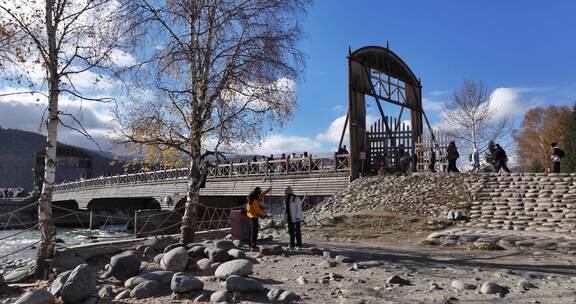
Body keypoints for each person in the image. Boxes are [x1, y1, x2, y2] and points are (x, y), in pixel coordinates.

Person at [245, 186, 271, 251]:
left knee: (252, 230)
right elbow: (258, 210)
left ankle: (250, 244)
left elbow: (262, 195)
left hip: (251, 215)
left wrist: (267, 191)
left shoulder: (255, 197)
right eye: (260, 192)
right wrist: (265, 215)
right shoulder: (254, 201)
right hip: (253, 216)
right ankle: (253, 246)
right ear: (257, 193)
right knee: (254, 231)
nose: (260, 194)